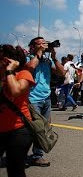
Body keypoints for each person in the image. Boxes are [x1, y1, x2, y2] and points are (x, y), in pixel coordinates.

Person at [24, 37, 66, 167]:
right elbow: (30, 67)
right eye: (40, 43)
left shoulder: (47, 61)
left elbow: (62, 72)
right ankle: (18, 153)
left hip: (46, 98)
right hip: (32, 99)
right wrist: (38, 54)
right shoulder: (28, 58)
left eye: (45, 43)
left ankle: (37, 155)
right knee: (32, 130)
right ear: (32, 46)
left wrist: (54, 57)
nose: (44, 45)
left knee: (42, 129)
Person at [0, 44, 35, 177]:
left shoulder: (23, 74)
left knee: (15, 171)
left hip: (18, 130)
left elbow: (15, 91)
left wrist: (9, 71)